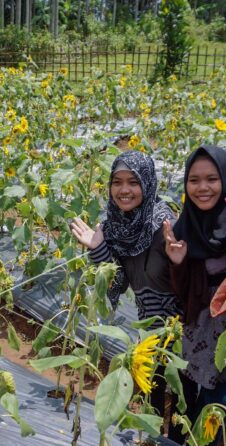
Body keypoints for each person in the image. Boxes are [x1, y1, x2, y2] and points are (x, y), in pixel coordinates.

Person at [70, 150, 180, 426]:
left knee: (181, 399)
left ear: (146, 183)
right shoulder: (117, 226)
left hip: (182, 329)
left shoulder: (165, 225)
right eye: (117, 182)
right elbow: (117, 284)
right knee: (150, 396)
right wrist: (98, 250)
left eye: (133, 182)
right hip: (149, 328)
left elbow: (186, 280)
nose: (124, 190)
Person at [162, 145, 226, 446]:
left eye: (211, 178)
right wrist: (177, 262)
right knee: (183, 401)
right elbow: (179, 292)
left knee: (212, 409)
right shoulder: (184, 226)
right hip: (193, 328)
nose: (202, 187)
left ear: (225, 180)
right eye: (194, 180)